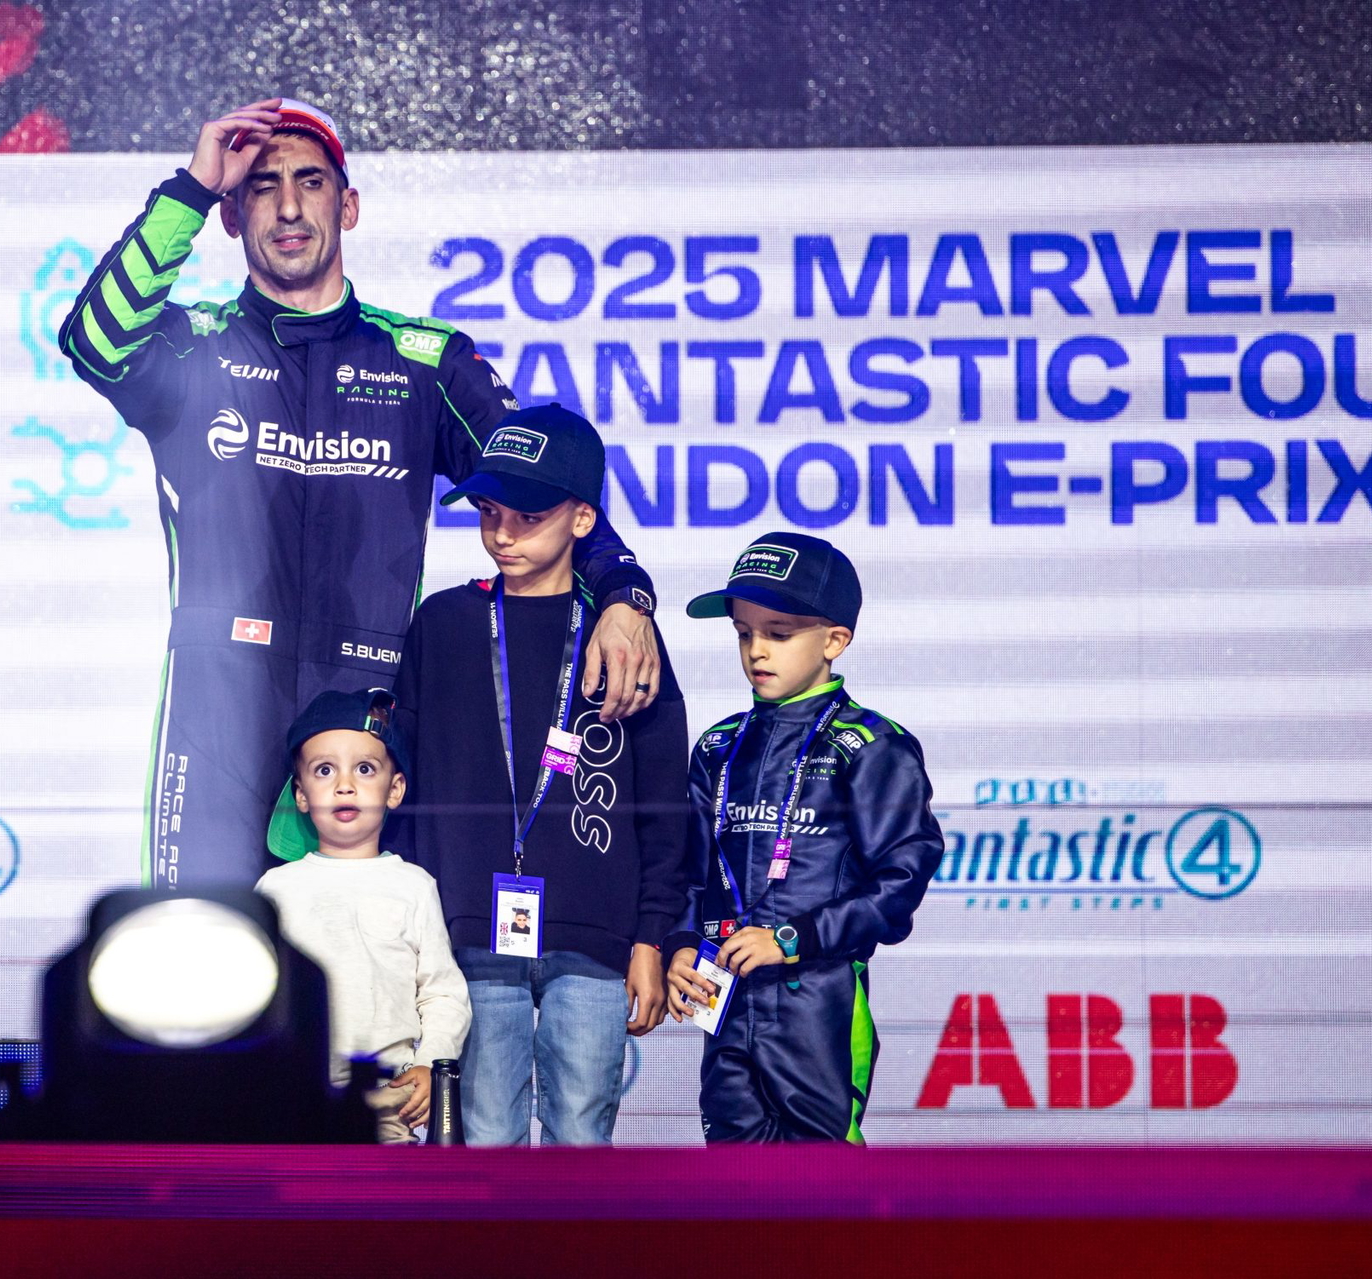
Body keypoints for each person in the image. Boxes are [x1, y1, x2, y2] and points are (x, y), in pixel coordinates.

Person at [56, 97, 663, 886]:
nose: (286, 205)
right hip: (213, 722)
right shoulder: (190, 346)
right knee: (198, 967)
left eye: (310, 182)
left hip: (366, 715)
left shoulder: (424, 361)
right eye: (260, 186)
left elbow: (546, 482)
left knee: (360, 984)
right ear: (234, 218)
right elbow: (92, 340)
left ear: (348, 206)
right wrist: (194, 187)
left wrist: (622, 592)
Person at [395, 404, 690, 1147]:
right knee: (484, 1140)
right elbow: (407, 795)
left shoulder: (622, 637)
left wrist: (652, 938)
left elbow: (662, 804)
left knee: (582, 1141)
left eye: (527, 515)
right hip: (470, 935)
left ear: (582, 517)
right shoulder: (444, 624)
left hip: (595, 938)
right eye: (490, 511)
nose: (502, 533)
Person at [664, 532, 943, 1143]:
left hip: (817, 1002)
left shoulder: (873, 745)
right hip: (724, 995)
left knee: (823, 1197)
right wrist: (682, 944)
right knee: (732, 1191)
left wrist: (792, 939)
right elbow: (688, 870)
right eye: (744, 632)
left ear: (835, 640)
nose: (756, 651)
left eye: (780, 633)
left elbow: (900, 884)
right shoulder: (717, 745)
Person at [254, 688, 469, 1145]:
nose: (344, 785)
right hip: (292, 1096)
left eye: (365, 769)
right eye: (325, 770)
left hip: (387, 1101)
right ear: (302, 795)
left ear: (395, 790)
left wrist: (431, 1063)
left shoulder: (414, 885)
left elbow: (442, 993)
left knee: (385, 1213)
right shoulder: (275, 889)